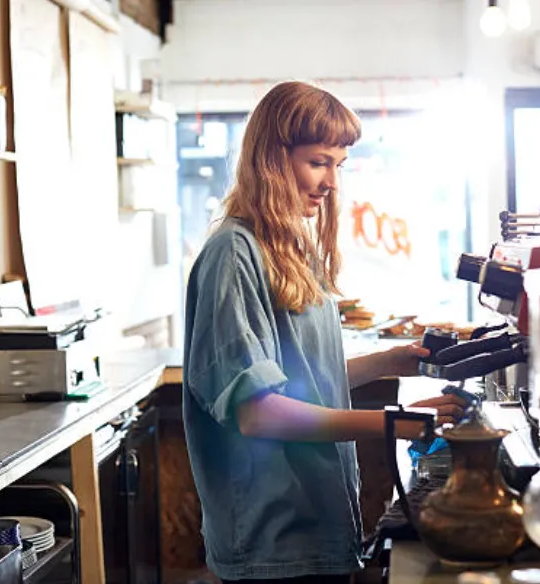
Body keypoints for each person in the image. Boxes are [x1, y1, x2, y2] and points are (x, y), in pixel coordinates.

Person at [182, 81, 467, 584]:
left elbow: (303, 380)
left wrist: (391, 361)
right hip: (272, 540)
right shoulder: (233, 254)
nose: (332, 182)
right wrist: (391, 423)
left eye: (339, 164)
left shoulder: (290, 249)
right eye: (318, 162)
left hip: (315, 524)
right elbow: (257, 412)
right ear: (271, 159)